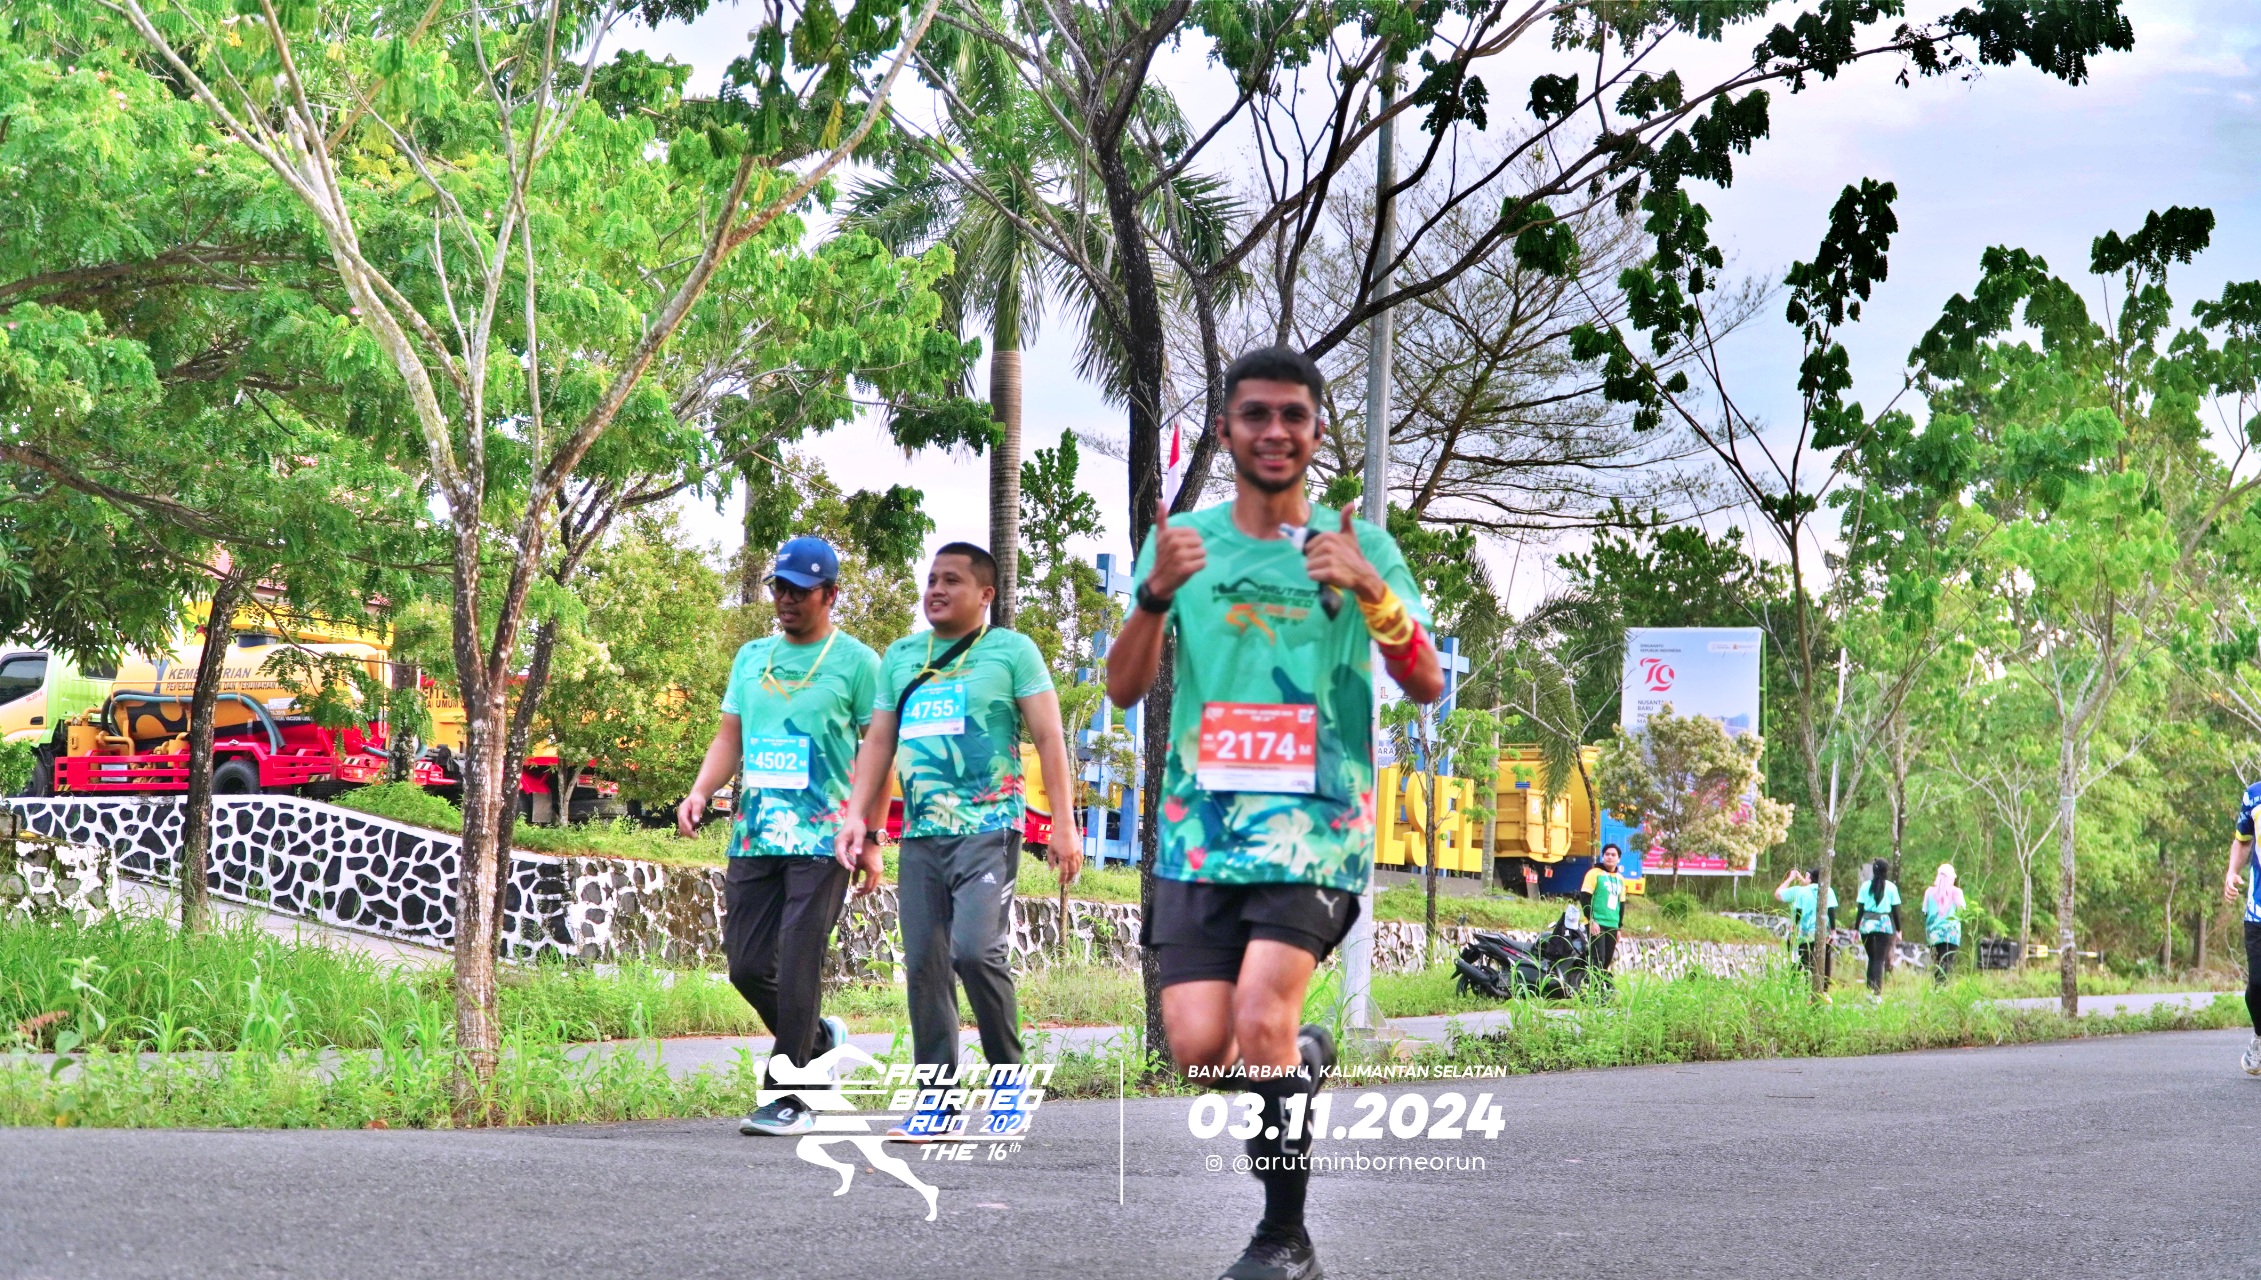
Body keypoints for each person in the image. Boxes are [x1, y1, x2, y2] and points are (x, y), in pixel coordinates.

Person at [1107, 345, 1444, 1280]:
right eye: (1255, 414)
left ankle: (1282, 1238)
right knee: (1199, 1049)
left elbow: (1424, 681)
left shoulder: (1360, 546)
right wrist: (1153, 595)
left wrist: (1370, 590)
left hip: (1314, 830)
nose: (1274, 431)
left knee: (1258, 1022)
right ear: (1225, 430)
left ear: (1316, 433)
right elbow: (1123, 687)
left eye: (1293, 415)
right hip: (1201, 833)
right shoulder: (1183, 543)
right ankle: (1303, 1058)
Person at [835, 542, 1082, 1134]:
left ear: (985, 594)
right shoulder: (901, 657)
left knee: (975, 951)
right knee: (924, 964)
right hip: (922, 835)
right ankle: (938, 1103)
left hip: (990, 829)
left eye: (952, 580)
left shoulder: (1012, 651)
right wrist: (858, 819)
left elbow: (1049, 737)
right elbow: (878, 742)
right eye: (932, 579)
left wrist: (1065, 824)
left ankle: (1008, 1083)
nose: (937, 590)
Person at [678, 535, 880, 1137]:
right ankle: (817, 1040)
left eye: (800, 590)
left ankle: (792, 1095)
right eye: (780, 588)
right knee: (745, 966)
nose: (787, 599)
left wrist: (870, 833)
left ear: (830, 595)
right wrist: (700, 790)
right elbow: (729, 737)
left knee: (798, 959)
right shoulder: (751, 658)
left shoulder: (857, 663)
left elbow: (879, 751)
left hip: (826, 838)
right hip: (756, 834)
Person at [2221, 778, 2261, 1075]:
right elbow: (2243, 840)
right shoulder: (2254, 795)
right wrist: (2232, 872)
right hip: (2258, 911)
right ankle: (2259, 1036)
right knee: (2257, 984)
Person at [1775, 866, 1839, 980]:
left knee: (1799, 961)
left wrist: (1790, 878)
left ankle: (1794, 983)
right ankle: (1823, 986)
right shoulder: (1828, 890)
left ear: (1810, 877)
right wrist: (1833, 931)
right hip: (1822, 933)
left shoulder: (1800, 891)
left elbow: (1781, 897)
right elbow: (1831, 912)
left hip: (1803, 933)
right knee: (1824, 963)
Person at [1854, 859, 1902, 994]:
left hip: (1866, 925)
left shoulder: (1865, 886)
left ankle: (1869, 988)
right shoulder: (1891, 888)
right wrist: (1899, 929)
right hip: (1884, 925)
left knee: (1872, 957)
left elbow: (1860, 909)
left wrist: (1856, 928)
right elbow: (1895, 911)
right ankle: (1877, 992)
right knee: (1879, 959)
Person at [1580, 844, 1627, 975]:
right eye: (1607, 854)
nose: (1610, 857)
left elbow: (1621, 904)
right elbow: (1584, 898)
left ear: (1618, 859)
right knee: (1597, 959)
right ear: (1603, 857)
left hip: (1612, 924)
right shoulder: (1594, 874)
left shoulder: (1620, 879)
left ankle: (1601, 987)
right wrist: (1592, 920)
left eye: (1613, 855)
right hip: (1596, 923)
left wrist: (1619, 927)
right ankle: (1593, 986)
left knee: (1606, 961)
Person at [1922, 863, 1966, 983]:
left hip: (1933, 934)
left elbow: (1925, 911)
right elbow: (1962, 912)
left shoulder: (1929, 892)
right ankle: (1941, 988)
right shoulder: (1956, 892)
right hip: (1951, 934)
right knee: (1947, 963)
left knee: (1937, 964)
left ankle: (1937, 987)